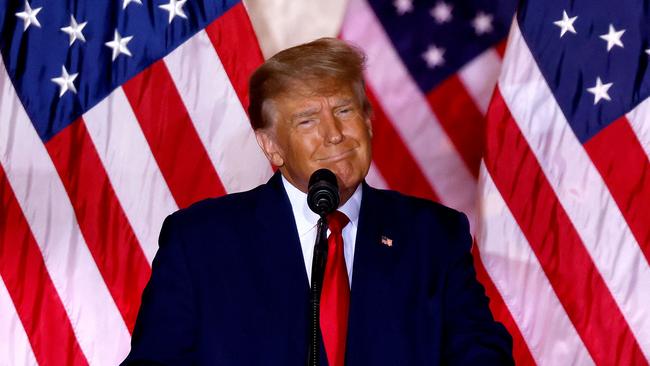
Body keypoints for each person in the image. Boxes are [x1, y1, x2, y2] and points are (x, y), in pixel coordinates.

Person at [122, 37, 513, 365]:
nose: (334, 134)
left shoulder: (432, 235)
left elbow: (481, 356)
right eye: (307, 120)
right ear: (271, 146)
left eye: (344, 110)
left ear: (369, 121)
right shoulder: (201, 242)